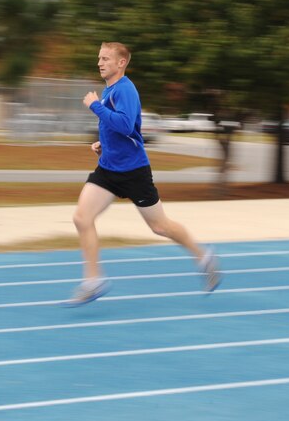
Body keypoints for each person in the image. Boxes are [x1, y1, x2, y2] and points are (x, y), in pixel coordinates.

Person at [64, 41, 221, 306]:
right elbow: (121, 128)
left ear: (121, 62)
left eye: (105, 58)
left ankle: (204, 257)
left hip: (134, 172)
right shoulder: (109, 89)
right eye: (99, 58)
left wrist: (94, 106)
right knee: (82, 218)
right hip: (109, 170)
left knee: (161, 226)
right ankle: (93, 280)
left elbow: (126, 125)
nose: (100, 63)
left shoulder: (125, 89)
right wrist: (104, 143)